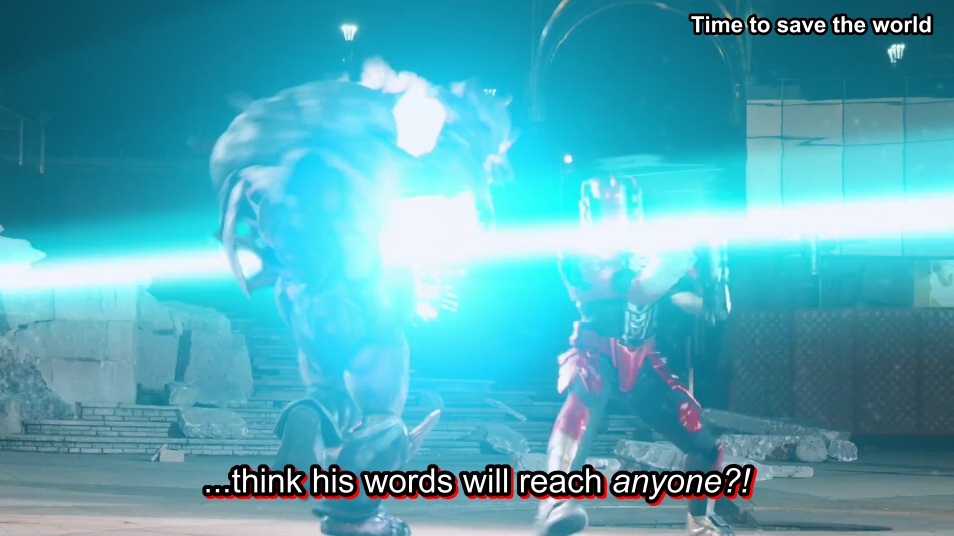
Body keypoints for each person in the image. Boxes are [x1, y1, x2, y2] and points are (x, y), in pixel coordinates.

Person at [210, 59, 512, 536]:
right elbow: (433, 186)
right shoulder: (367, 161)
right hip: (364, 293)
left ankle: (308, 420)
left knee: (329, 392)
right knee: (383, 411)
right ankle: (358, 517)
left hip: (302, 300)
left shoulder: (290, 180)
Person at [536, 173, 734, 536]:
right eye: (608, 209)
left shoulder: (650, 250)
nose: (617, 217)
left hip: (644, 360)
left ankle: (700, 518)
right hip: (596, 353)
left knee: (701, 439)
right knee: (581, 407)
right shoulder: (578, 251)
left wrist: (712, 290)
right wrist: (676, 260)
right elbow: (628, 288)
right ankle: (555, 502)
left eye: (623, 209)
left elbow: (692, 303)